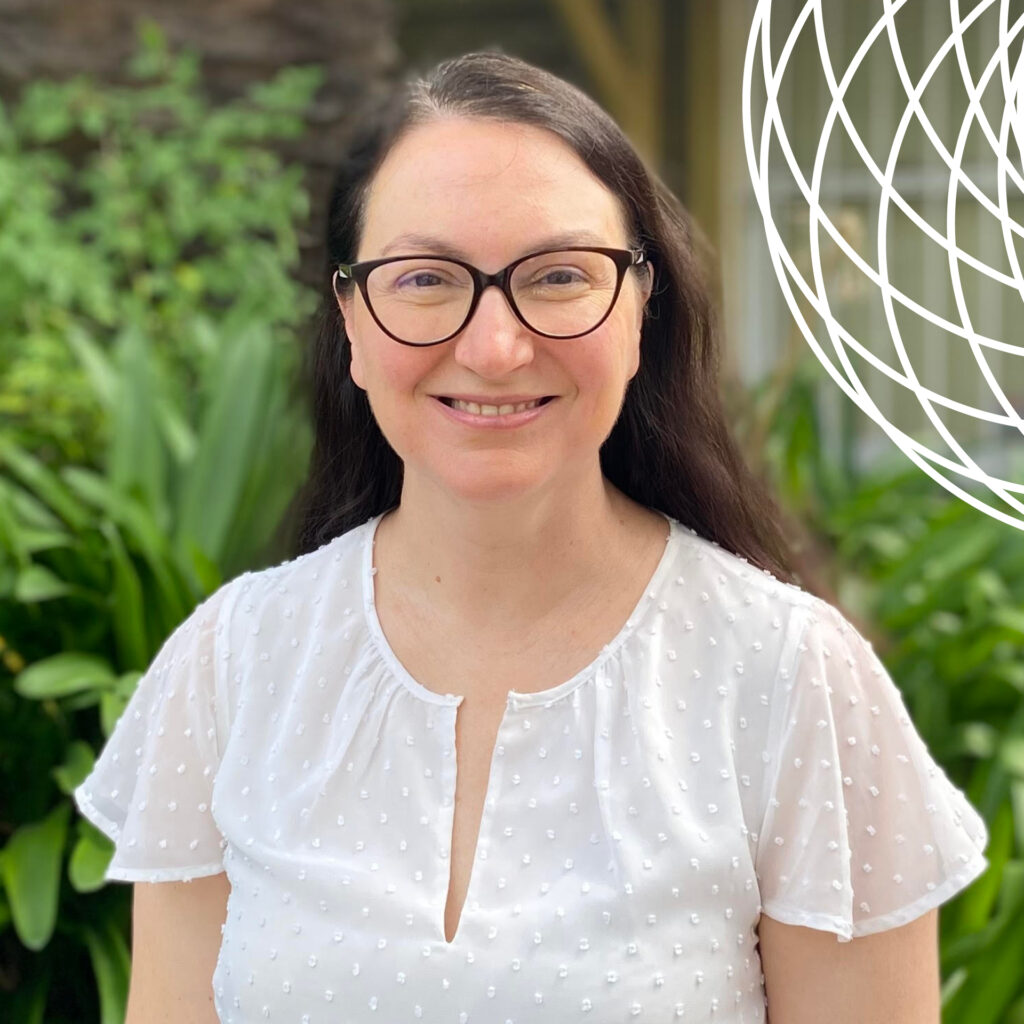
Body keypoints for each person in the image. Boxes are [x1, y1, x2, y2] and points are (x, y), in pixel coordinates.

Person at [74, 50, 989, 1024]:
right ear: (350, 320)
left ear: (640, 308)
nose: (495, 347)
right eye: (425, 278)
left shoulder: (791, 679)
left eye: (557, 275)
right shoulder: (233, 665)